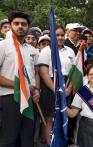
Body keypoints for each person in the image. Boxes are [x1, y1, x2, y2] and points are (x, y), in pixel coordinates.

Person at [0, 11, 40, 147]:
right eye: (16, 23)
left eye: (23, 24)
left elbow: (36, 73)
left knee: (27, 138)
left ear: (28, 27)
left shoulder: (32, 50)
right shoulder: (3, 46)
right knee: (10, 139)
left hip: (29, 98)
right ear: (11, 26)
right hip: (10, 98)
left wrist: (37, 90)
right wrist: (19, 86)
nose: (20, 26)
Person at [37, 25, 75, 144]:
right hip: (51, 86)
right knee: (50, 118)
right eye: (56, 35)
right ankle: (50, 144)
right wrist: (56, 89)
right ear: (52, 36)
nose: (59, 37)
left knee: (64, 116)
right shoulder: (46, 50)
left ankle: (62, 142)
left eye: (61, 35)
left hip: (66, 85)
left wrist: (68, 87)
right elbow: (43, 73)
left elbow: (74, 72)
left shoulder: (70, 51)